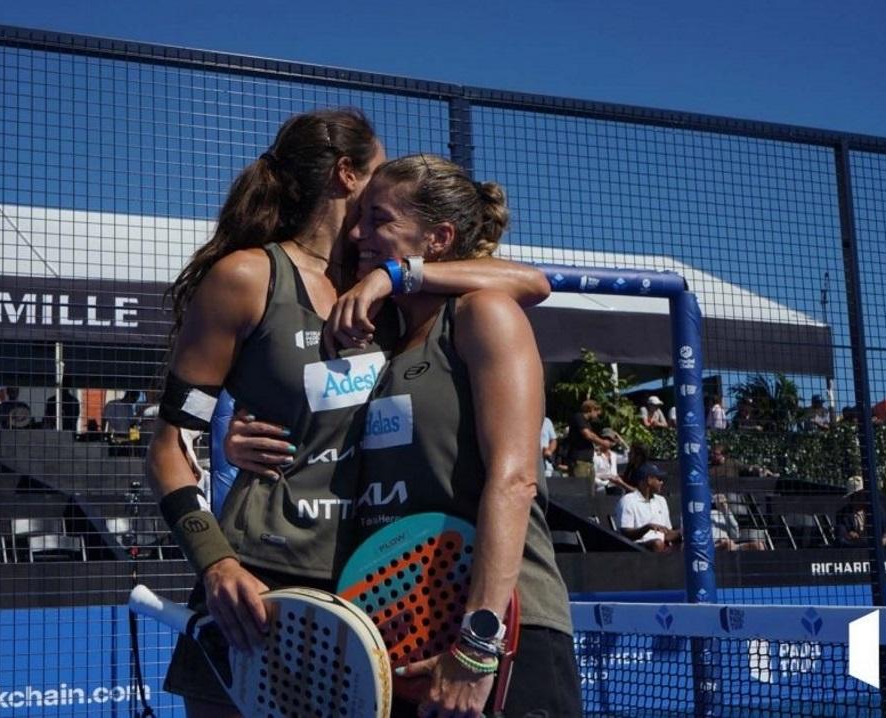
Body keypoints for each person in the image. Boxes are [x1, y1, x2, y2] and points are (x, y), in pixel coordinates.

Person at [145, 109, 550, 717]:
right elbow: (170, 446)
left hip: (374, 594)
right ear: (345, 175)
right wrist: (216, 562)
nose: (384, 187)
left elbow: (529, 281)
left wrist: (393, 275)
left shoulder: (394, 298)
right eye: (377, 175)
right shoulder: (249, 277)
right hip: (259, 583)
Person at [343, 153, 578, 716]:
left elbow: (516, 480)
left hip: (501, 633)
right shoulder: (381, 341)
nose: (357, 234)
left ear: (439, 237)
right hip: (401, 635)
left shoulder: (482, 315)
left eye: (378, 219)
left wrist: (477, 645)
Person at [615, 463, 681, 552]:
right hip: (637, 548)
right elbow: (626, 534)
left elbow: (667, 532)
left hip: (663, 545)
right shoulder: (628, 500)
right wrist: (647, 527)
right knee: (658, 544)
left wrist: (683, 533)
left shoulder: (661, 500)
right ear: (649, 480)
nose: (662, 483)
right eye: (659, 479)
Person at [835, 476, 886, 548]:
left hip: (876, 548)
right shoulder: (843, 514)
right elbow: (841, 535)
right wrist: (848, 534)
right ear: (854, 496)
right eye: (862, 493)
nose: (865, 496)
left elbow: (885, 527)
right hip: (854, 551)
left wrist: (885, 536)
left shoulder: (876, 509)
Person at [566, 399, 610, 479]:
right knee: (580, 488)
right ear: (591, 409)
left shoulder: (587, 423)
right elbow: (588, 435)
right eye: (596, 412)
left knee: (589, 488)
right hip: (579, 460)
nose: (597, 415)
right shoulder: (578, 417)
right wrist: (603, 442)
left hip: (587, 461)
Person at [594, 428, 632, 495]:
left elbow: (628, 454)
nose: (608, 442)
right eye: (605, 439)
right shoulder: (595, 455)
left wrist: (621, 441)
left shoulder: (613, 455)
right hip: (601, 489)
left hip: (615, 488)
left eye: (610, 440)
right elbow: (593, 476)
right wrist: (606, 482)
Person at [540, 413, 558, 478]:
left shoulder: (547, 421)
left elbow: (553, 440)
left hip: (545, 467)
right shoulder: (524, 420)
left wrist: (550, 450)